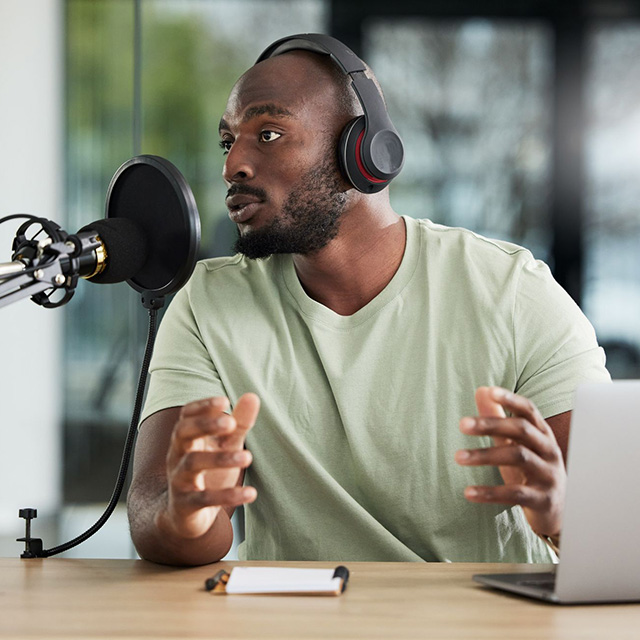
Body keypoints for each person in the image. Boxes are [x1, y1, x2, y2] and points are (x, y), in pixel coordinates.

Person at [127, 35, 610, 566]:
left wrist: (564, 516)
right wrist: (185, 514)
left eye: (268, 133)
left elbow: (619, 527)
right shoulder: (210, 302)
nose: (233, 165)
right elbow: (153, 511)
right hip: (296, 620)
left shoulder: (513, 293)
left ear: (364, 151)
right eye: (228, 142)